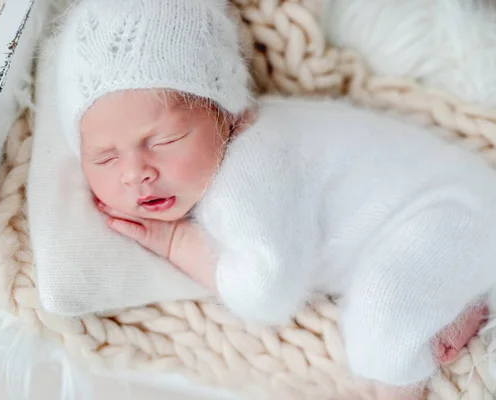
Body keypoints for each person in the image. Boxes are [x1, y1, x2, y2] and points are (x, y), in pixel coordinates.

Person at [53, 0, 496, 398]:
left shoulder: (249, 165)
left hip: (450, 212)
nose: (136, 173)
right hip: (446, 220)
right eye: (104, 157)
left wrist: (177, 245)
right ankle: (455, 304)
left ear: (227, 112)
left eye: (166, 139)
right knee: (387, 304)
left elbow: (266, 290)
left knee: (378, 328)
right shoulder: (218, 163)